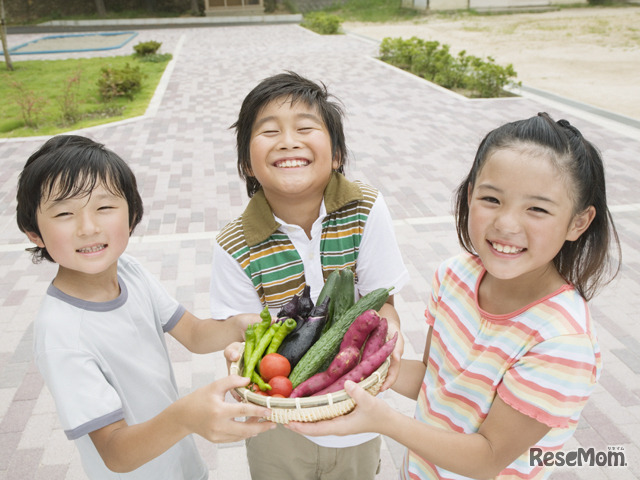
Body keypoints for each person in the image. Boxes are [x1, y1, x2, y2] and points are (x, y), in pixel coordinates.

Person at [287, 113, 622, 479]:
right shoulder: (455, 275)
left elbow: (487, 458)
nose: (507, 224)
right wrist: (364, 367)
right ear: (469, 194)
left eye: (537, 209)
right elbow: (433, 379)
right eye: (491, 199)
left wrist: (384, 421)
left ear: (578, 222)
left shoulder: (562, 342)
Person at [16, 135, 275, 480]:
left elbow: (195, 335)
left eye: (104, 208)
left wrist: (238, 325)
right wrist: (185, 417)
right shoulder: (62, 335)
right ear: (33, 231)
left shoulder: (130, 271)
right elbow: (116, 453)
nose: (88, 228)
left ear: (132, 214)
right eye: (64, 213)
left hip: (183, 466)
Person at [210, 71, 410, 479]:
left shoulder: (366, 208)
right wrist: (237, 352)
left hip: (355, 408)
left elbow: (383, 302)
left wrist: (390, 337)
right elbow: (244, 338)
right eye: (269, 132)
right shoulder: (233, 243)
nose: (288, 140)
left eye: (305, 127)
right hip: (274, 422)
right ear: (246, 163)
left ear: (336, 154)